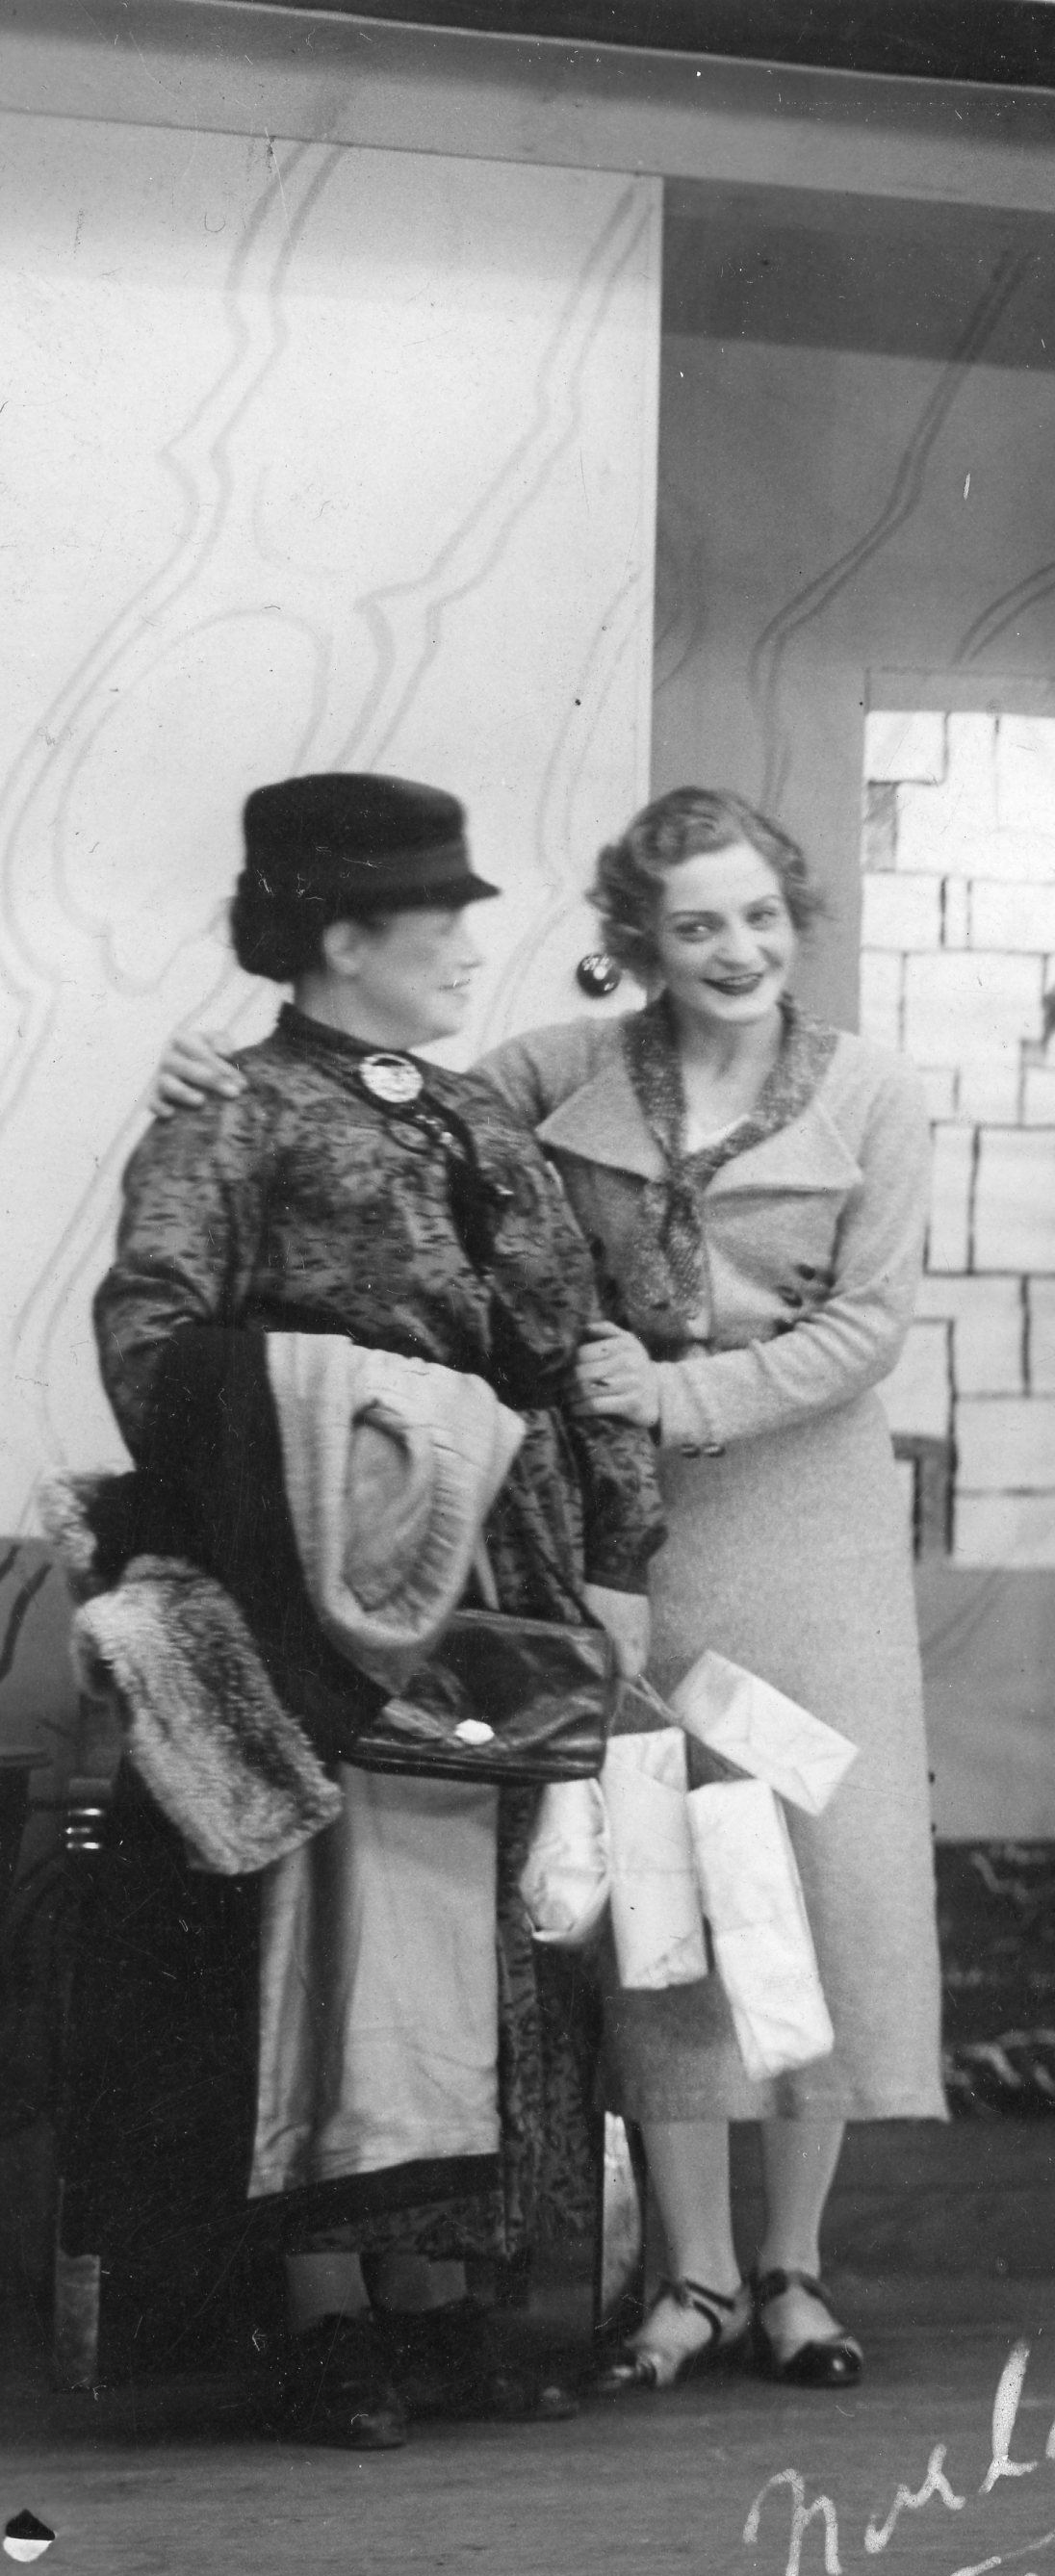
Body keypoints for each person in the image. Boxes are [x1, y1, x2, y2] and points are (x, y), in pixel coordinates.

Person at [150, 787, 947, 2395]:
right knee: (662, 1884)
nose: (737, 949)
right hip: (618, 1537)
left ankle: (791, 2268)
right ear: (639, 940)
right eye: (697, 923)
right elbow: (369, 1083)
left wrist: (672, 1397)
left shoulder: (872, 1090)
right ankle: (688, 2276)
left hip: (802, 1519)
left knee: (814, 1871)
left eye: (761, 916)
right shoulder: (551, 1074)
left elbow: (867, 1328)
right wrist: (195, 1066)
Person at [96, 773, 663, 2447]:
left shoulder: (484, 1112)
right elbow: (151, 1342)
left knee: (482, 1936)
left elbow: (573, 1341)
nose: (473, 947)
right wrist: (365, 1435)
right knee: (334, 1946)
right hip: (326, 1586)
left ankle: (440, 2305)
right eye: (441, 919)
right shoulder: (230, 1115)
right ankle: (325, 2316)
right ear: (344, 938)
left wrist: (618, 1548)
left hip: (508, 1572)